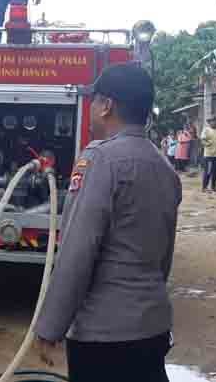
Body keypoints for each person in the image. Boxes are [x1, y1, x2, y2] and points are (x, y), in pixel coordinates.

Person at [34, 64, 181, 382]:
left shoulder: (100, 160)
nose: (90, 108)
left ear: (107, 106)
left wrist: (50, 326)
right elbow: (164, 257)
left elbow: (77, 251)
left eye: (94, 100)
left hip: (104, 336)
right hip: (153, 327)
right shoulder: (166, 168)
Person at [201, 117, 216, 193]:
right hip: (209, 155)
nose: (213, 123)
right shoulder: (206, 129)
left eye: (214, 121)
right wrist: (208, 143)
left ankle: (213, 187)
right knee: (208, 171)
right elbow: (202, 140)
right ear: (209, 122)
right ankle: (204, 187)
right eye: (211, 121)